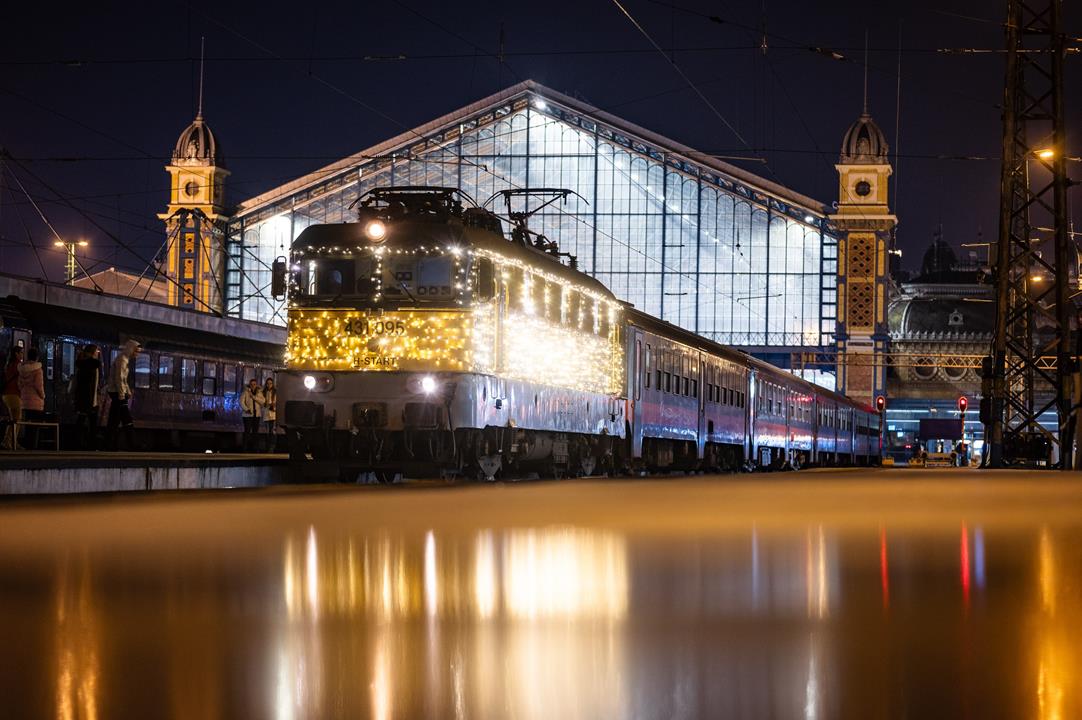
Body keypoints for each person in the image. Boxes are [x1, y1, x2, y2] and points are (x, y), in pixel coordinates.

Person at [105, 339, 141, 451]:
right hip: (118, 393)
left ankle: (110, 445)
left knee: (114, 420)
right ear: (131, 350)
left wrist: (128, 391)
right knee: (127, 419)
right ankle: (133, 445)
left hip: (118, 393)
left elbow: (123, 380)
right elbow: (119, 379)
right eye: (136, 351)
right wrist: (122, 394)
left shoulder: (124, 359)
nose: (137, 354)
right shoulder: (122, 360)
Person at [72, 344, 103, 450]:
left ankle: (86, 444)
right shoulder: (90, 365)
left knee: (87, 422)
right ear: (92, 353)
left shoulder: (85, 365)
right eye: (96, 352)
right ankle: (83, 444)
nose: (98, 354)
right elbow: (86, 384)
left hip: (91, 399)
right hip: (88, 399)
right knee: (87, 423)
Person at [18, 348, 45, 450]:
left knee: (27, 425)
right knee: (35, 425)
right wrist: (43, 396)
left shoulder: (22, 369)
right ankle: (33, 447)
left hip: (24, 400)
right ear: (37, 357)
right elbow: (39, 386)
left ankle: (27, 445)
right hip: (36, 402)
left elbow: (19, 384)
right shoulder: (38, 370)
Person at [2, 346, 24, 450]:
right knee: (17, 420)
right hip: (14, 394)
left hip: (6, 395)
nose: (22, 355)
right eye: (21, 353)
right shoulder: (18, 365)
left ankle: (12, 441)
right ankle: (8, 441)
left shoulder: (8, 365)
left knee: (12, 420)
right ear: (16, 354)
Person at [240, 378, 264, 451]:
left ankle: (255, 448)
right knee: (247, 431)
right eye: (251, 384)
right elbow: (241, 402)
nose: (253, 386)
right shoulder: (245, 392)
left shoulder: (259, 393)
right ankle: (245, 448)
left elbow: (262, 401)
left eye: (254, 384)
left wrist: (254, 397)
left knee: (255, 432)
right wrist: (246, 409)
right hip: (247, 415)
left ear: (256, 385)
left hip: (256, 415)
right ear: (249, 385)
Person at [261, 377, 277, 453]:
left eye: (270, 383)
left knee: (272, 431)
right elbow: (262, 401)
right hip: (266, 414)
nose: (269, 385)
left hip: (273, 414)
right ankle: (267, 447)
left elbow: (276, 401)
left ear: (272, 384)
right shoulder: (263, 392)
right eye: (267, 383)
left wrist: (273, 405)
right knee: (267, 431)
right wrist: (265, 404)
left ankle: (272, 448)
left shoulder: (275, 392)